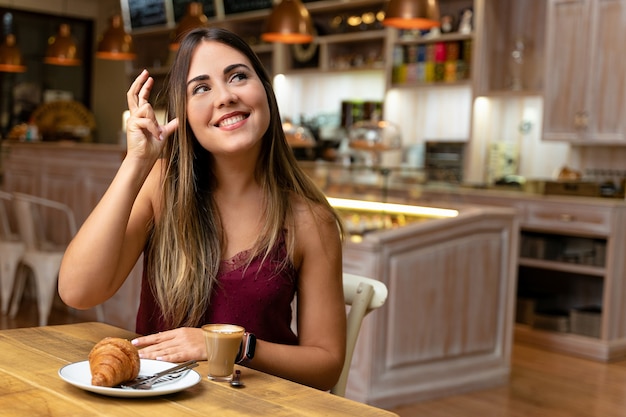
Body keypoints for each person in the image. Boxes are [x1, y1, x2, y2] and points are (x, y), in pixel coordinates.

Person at [58, 27, 346, 391]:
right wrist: (137, 163)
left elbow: (326, 364)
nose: (225, 96)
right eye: (201, 88)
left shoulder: (310, 220)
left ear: (266, 93)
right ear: (185, 115)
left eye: (238, 76)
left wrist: (231, 346)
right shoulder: (162, 187)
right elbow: (78, 292)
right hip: (158, 404)